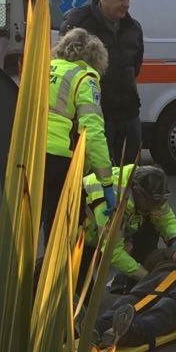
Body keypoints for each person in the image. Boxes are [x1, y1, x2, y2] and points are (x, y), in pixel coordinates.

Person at [62, 0, 144, 165]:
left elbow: (135, 67)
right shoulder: (79, 24)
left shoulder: (133, 28)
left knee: (129, 177)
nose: (126, 4)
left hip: (128, 113)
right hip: (96, 117)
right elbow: (66, 68)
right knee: (98, 178)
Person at [45, 28, 114, 244]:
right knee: (63, 226)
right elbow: (92, 132)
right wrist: (106, 181)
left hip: (27, 153)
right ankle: (62, 275)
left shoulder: (46, 68)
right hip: (58, 158)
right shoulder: (85, 77)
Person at [82, 164, 176, 290]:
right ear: (137, 191)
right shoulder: (111, 201)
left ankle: (133, 279)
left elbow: (165, 218)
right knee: (83, 294)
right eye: (153, 202)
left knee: (151, 223)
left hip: (122, 220)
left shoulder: (150, 190)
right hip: (83, 235)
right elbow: (112, 252)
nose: (156, 206)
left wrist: (175, 242)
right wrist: (147, 277)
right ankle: (137, 277)